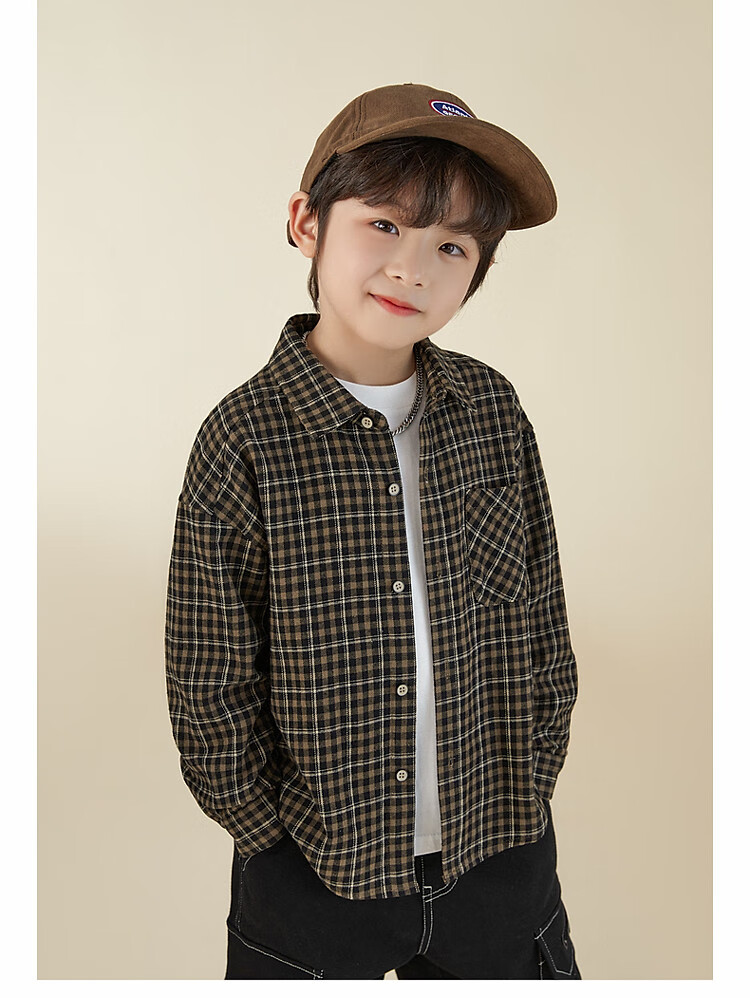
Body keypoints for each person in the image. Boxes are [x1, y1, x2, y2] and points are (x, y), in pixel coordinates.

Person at [164, 82, 581, 980]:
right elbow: (209, 673)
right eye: (384, 225)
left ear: (477, 271)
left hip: (498, 846)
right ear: (306, 223)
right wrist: (266, 832)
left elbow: (541, 613)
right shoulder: (244, 437)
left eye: (452, 246)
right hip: (315, 868)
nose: (412, 268)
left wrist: (536, 766)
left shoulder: (491, 411)